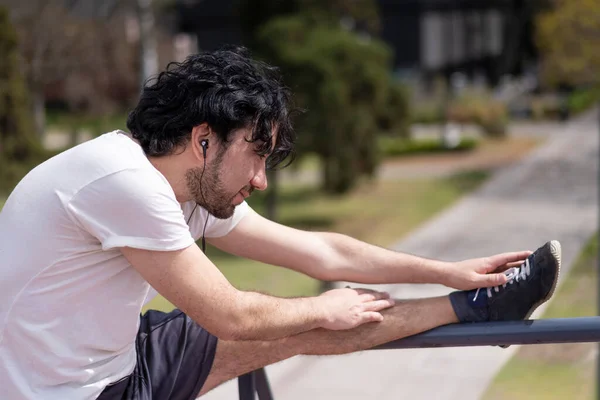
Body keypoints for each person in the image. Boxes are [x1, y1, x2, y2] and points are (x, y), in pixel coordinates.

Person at [0, 46, 561, 400]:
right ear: (203, 140)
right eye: (258, 154)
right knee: (288, 320)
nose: (262, 179)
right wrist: (323, 306)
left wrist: (445, 270)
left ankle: (480, 301)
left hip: (116, 358)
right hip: (70, 391)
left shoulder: (182, 184)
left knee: (290, 318)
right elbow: (230, 314)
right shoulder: (124, 182)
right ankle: (484, 308)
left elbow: (323, 253)